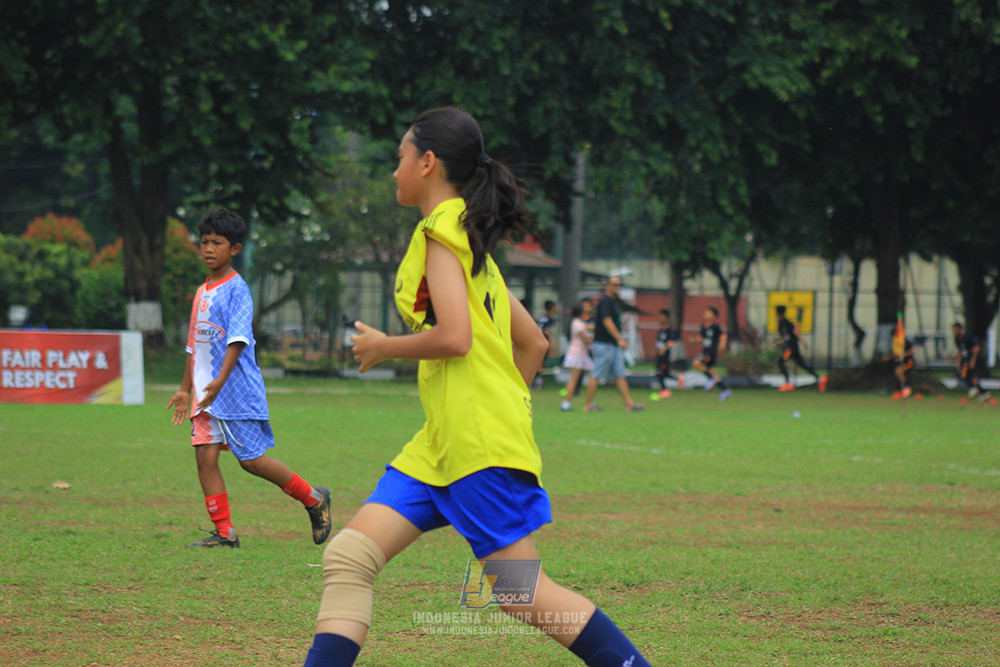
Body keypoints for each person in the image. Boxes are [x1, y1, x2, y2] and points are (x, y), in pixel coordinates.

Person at [303, 108, 650, 667]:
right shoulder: (471, 242)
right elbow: (534, 343)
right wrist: (499, 408)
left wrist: (384, 347)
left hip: (473, 446)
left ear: (428, 162)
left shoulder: (442, 230)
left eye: (399, 158)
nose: (394, 172)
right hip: (444, 445)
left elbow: (456, 337)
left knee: (521, 593)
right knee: (349, 557)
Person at [167, 208, 332, 549]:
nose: (208, 248)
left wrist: (220, 382)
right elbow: (193, 344)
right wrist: (186, 389)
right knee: (205, 457)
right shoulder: (202, 291)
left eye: (217, 243)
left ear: (235, 249)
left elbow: (237, 340)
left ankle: (314, 498)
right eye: (204, 242)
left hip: (234, 391)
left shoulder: (237, 289)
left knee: (251, 461)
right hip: (204, 394)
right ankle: (225, 533)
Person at [582, 277, 645, 413]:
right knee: (596, 374)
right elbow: (607, 321)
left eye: (619, 285)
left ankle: (629, 404)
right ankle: (588, 405)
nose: (617, 287)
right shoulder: (605, 302)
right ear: (608, 286)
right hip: (604, 344)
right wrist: (619, 338)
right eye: (614, 285)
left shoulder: (613, 302)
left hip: (612, 345)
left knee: (619, 374)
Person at [775, 305, 827, 392]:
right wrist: (778, 343)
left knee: (781, 361)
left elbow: (797, 333)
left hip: (790, 349)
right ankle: (820, 379)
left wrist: (805, 345)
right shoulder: (780, 324)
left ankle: (787, 383)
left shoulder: (787, 323)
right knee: (802, 364)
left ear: (780, 314)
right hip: (791, 349)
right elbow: (783, 337)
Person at [691, 306, 731, 402]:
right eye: (705, 312)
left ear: (714, 316)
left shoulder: (715, 327)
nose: (706, 314)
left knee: (697, 363)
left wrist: (722, 346)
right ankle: (725, 390)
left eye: (708, 313)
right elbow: (702, 338)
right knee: (713, 372)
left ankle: (711, 380)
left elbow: (723, 335)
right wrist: (695, 340)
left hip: (711, 353)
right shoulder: (704, 326)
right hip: (705, 352)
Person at [560, 303, 594, 411]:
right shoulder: (578, 324)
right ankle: (566, 403)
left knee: (592, 376)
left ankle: (590, 401)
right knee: (574, 380)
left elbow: (590, 327)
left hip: (581, 354)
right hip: (577, 355)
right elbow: (587, 339)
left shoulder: (577, 322)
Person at [653, 309, 683, 399]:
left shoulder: (669, 330)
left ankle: (665, 391)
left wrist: (664, 349)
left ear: (666, 318)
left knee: (660, 373)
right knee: (665, 373)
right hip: (659, 356)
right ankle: (678, 379)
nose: (659, 318)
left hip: (665, 357)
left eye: (661, 317)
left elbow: (672, 342)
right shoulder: (660, 330)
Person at [953, 322, 988, 399]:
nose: (955, 331)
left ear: (960, 330)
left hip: (970, 360)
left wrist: (972, 361)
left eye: (956, 330)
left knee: (969, 376)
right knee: (966, 375)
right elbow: (960, 351)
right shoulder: (957, 339)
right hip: (965, 361)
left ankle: (978, 390)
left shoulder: (967, 337)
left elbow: (976, 349)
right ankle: (981, 392)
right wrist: (958, 361)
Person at [533, 299, 558, 390]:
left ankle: (535, 382)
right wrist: (552, 344)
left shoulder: (540, 317)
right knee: (540, 365)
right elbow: (546, 332)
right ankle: (536, 382)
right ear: (552, 308)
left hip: (534, 341)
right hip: (542, 343)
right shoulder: (550, 319)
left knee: (535, 363)